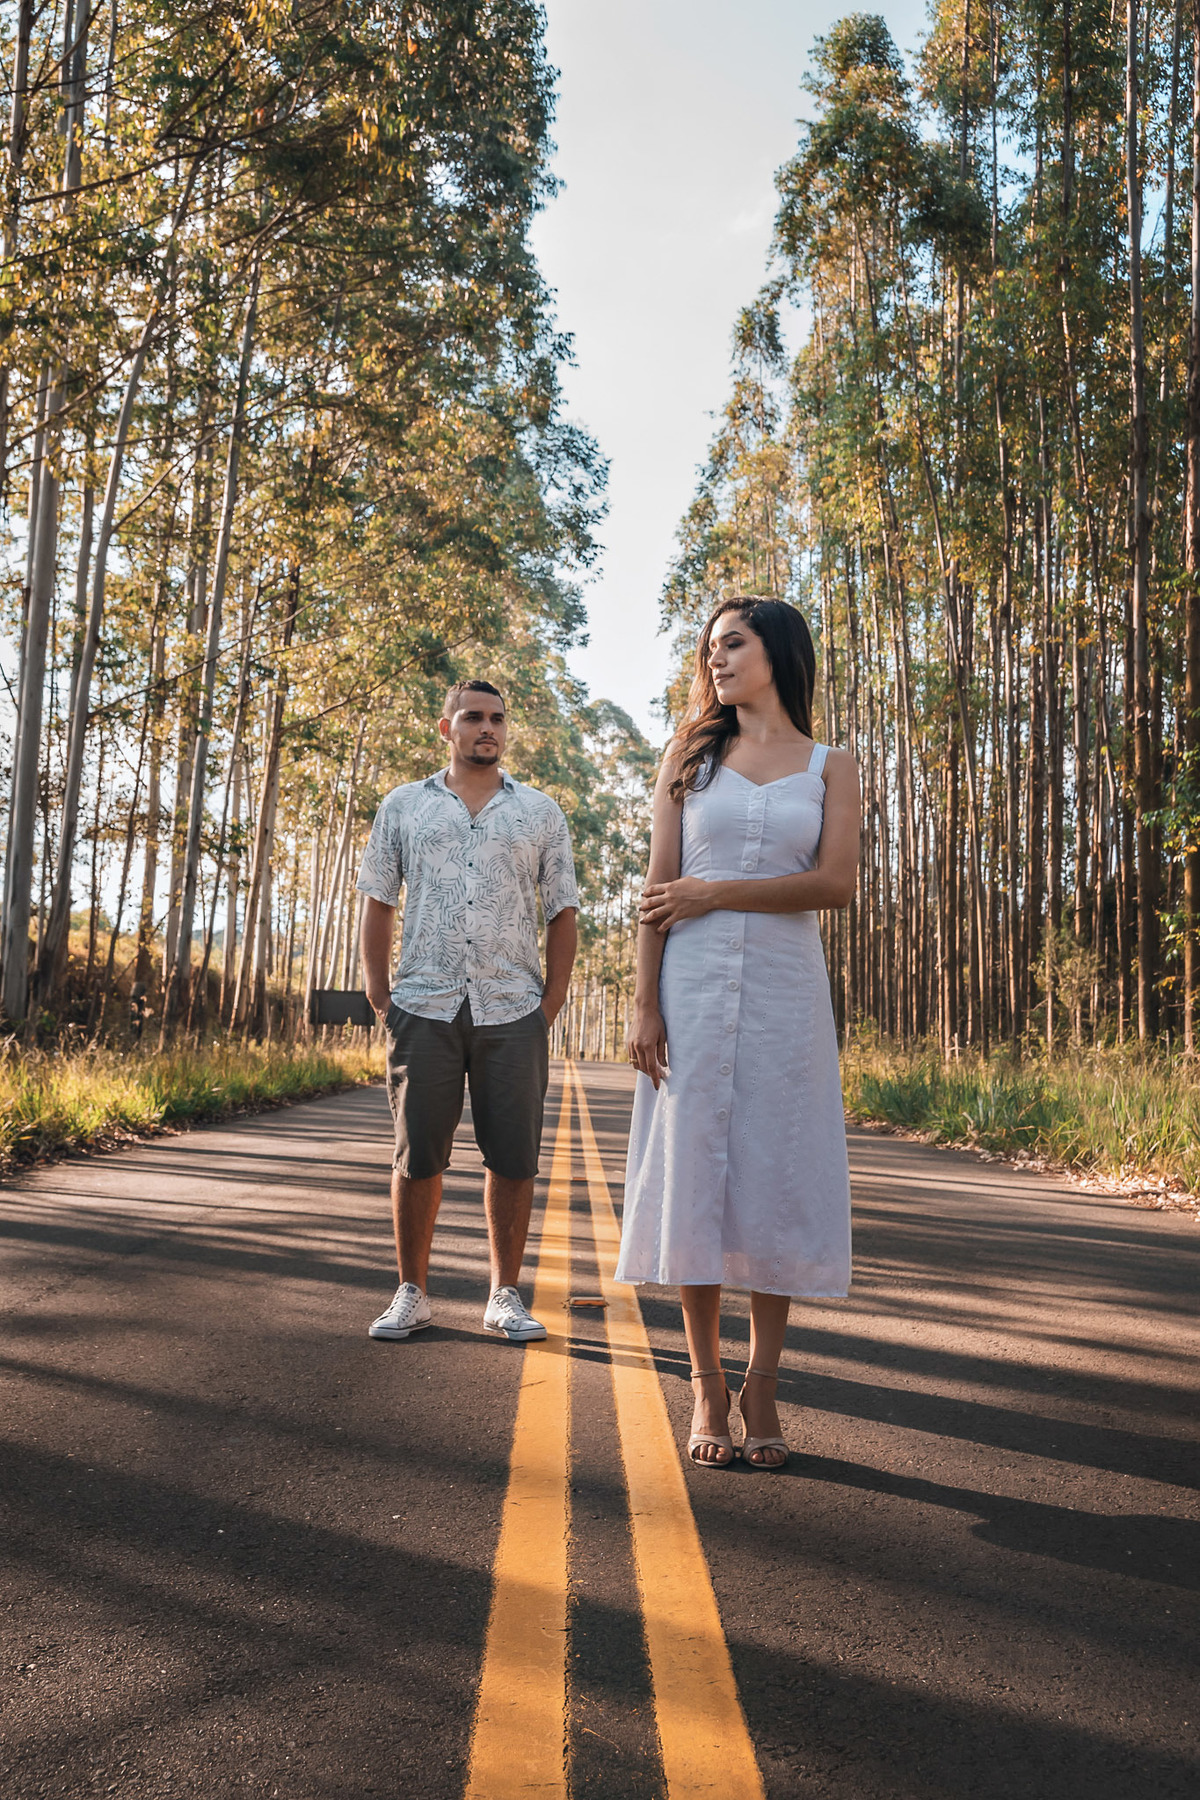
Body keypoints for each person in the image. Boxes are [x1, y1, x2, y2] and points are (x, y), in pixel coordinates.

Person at [618, 598, 860, 1468]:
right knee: (696, 1176)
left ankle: (761, 1382)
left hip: (787, 995)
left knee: (772, 1173)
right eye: (710, 648)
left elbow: (833, 884)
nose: (716, 660)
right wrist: (645, 1004)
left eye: (733, 644)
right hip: (691, 985)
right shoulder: (690, 758)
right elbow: (657, 892)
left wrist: (716, 891)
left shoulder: (832, 764)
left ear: (776, 651)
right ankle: (705, 1385)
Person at [357, 679, 579, 1344]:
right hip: (422, 1001)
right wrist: (379, 994)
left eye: (498, 719)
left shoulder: (540, 813)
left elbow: (562, 910)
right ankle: (411, 1292)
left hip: (512, 1006)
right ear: (446, 728)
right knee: (417, 1155)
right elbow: (376, 898)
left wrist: (551, 1004)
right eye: (474, 717)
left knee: (512, 1159)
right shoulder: (403, 807)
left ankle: (504, 1295)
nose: (488, 728)